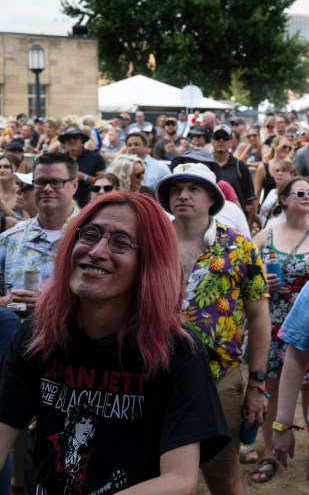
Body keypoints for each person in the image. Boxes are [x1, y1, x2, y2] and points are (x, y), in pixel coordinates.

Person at [0, 192, 231, 493]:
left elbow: (179, 479)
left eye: (121, 242)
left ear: (149, 264)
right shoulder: (38, 334)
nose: (96, 251)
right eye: (90, 234)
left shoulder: (177, 351)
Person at [156, 163, 270, 495]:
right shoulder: (151, 244)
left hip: (221, 378)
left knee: (223, 477)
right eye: (176, 190)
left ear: (212, 199)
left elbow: (259, 316)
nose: (183, 195)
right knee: (164, 478)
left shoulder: (239, 246)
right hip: (156, 374)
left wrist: (258, 383)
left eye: (193, 189)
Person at [249, 177, 309, 483]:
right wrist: (259, 280)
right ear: (283, 199)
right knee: (269, 390)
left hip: (308, 325)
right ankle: (270, 452)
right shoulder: (265, 235)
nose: (308, 196)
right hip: (271, 325)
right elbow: (245, 271)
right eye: (300, 193)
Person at [0, 153, 79, 312]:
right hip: (19, 335)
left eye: (57, 182)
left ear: (75, 186)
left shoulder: (94, 238)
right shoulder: (9, 239)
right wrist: (6, 301)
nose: (47, 189)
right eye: (41, 182)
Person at [59, 127, 106, 208]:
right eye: (68, 138)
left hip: (89, 204)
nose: (71, 140)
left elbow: (104, 182)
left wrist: (84, 177)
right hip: (65, 204)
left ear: (82, 141)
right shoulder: (59, 159)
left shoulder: (95, 157)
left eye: (75, 137)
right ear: (65, 142)